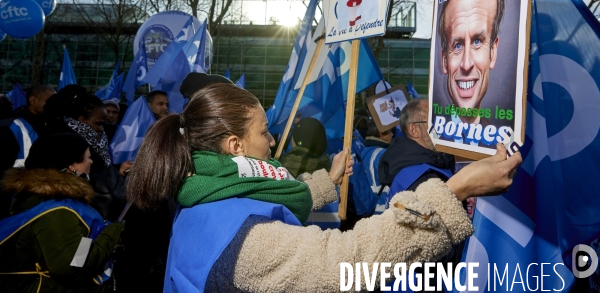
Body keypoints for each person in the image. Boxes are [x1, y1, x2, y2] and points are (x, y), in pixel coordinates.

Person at [126, 83, 521, 292]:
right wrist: (454, 191)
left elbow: (267, 196)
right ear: (235, 146)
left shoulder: (200, 193)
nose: (271, 140)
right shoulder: (246, 242)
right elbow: (347, 260)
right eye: (263, 132)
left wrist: (327, 182)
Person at [0, 133, 124, 292]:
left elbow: (78, 248)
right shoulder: (58, 210)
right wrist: (110, 235)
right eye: (88, 157)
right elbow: (73, 266)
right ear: (72, 165)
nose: (91, 162)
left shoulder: (42, 197)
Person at [379, 99, 464, 292]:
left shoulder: (413, 164)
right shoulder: (422, 176)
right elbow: (433, 251)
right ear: (414, 130)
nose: (443, 125)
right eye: (434, 121)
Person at [437, 0, 505, 125]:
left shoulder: (503, 145)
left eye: (477, 41)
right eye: (458, 45)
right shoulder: (427, 141)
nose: (466, 64)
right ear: (445, 60)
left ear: (493, 52)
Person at [350, 120, 393, 219]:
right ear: (381, 134)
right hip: (381, 207)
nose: (392, 134)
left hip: (370, 204)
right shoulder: (383, 154)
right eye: (390, 131)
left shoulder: (367, 150)